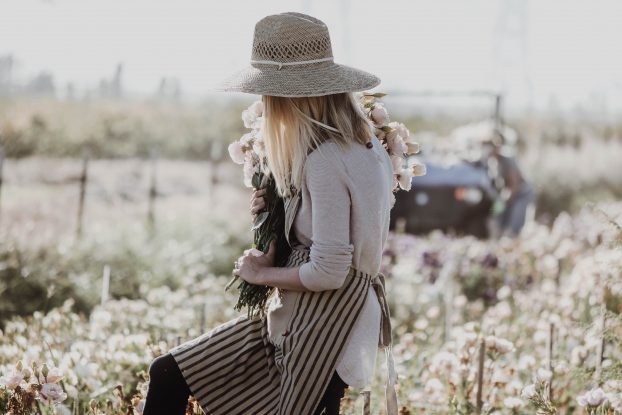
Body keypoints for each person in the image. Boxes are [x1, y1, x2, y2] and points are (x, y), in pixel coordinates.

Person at [143, 12, 398, 415]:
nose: (263, 104)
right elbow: (334, 238)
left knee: (170, 374)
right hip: (327, 319)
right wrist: (274, 223)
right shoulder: (368, 149)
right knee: (170, 372)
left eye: (267, 94)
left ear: (287, 97)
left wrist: (260, 274)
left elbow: (329, 270)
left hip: (321, 325)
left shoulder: (326, 160)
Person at [482, 130, 534, 237]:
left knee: (515, 222)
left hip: (522, 193)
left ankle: (512, 240)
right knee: (498, 216)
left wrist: (504, 200)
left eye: (489, 147)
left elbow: (514, 184)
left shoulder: (507, 159)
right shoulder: (492, 162)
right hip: (510, 194)